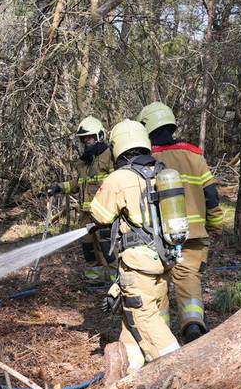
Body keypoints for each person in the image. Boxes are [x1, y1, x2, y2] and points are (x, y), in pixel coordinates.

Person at [89, 120, 180, 374]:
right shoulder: (161, 172)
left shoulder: (121, 178)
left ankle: (177, 374)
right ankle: (129, 374)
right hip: (163, 260)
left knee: (145, 319)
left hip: (138, 263)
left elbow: (99, 215)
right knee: (136, 319)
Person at [136, 101, 224, 342]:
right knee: (188, 277)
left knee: (158, 281)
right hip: (193, 234)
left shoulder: (146, 159)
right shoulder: (193, 154)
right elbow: (211, 193)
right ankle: (193, 323)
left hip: (156, 236)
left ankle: (160, 334)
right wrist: (215, 224)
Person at [72, 116, 113, 284]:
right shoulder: (83, 162)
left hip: (104, 214)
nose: (86, 141)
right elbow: (78, 184)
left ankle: (115, 281)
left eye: (89, 137)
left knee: (108, 248)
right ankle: (94, 280)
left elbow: (117, 181)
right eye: (84, 138)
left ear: (98, 136)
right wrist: (60, 187)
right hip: (86, 215)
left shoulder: (109, 155)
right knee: (88, 248)